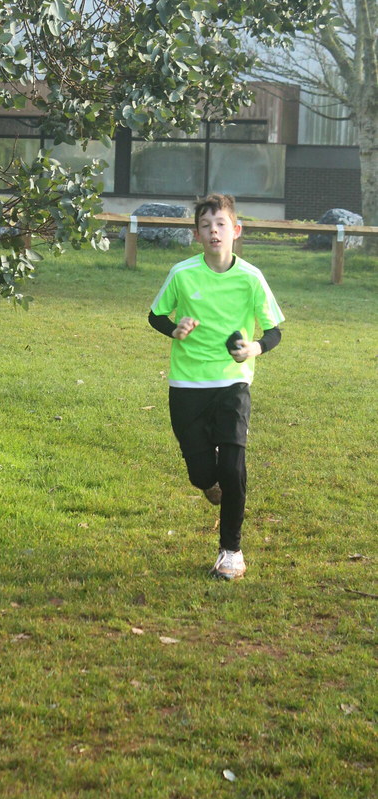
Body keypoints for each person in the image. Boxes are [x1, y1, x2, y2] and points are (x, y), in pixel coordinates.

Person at [148, 193, 284, 580]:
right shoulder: (182, 273)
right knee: (201, 472)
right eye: (206, 226)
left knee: (233, 466)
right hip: (187, 383)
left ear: (235, 230)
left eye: (221, 224)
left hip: (233, 381)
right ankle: (208, 484)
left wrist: (254, 347)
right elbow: (155, 315)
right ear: (197, 234)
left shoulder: (251, 277)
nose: (214, 231)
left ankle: (231, 552)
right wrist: (174, 329)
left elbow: (274, 330)